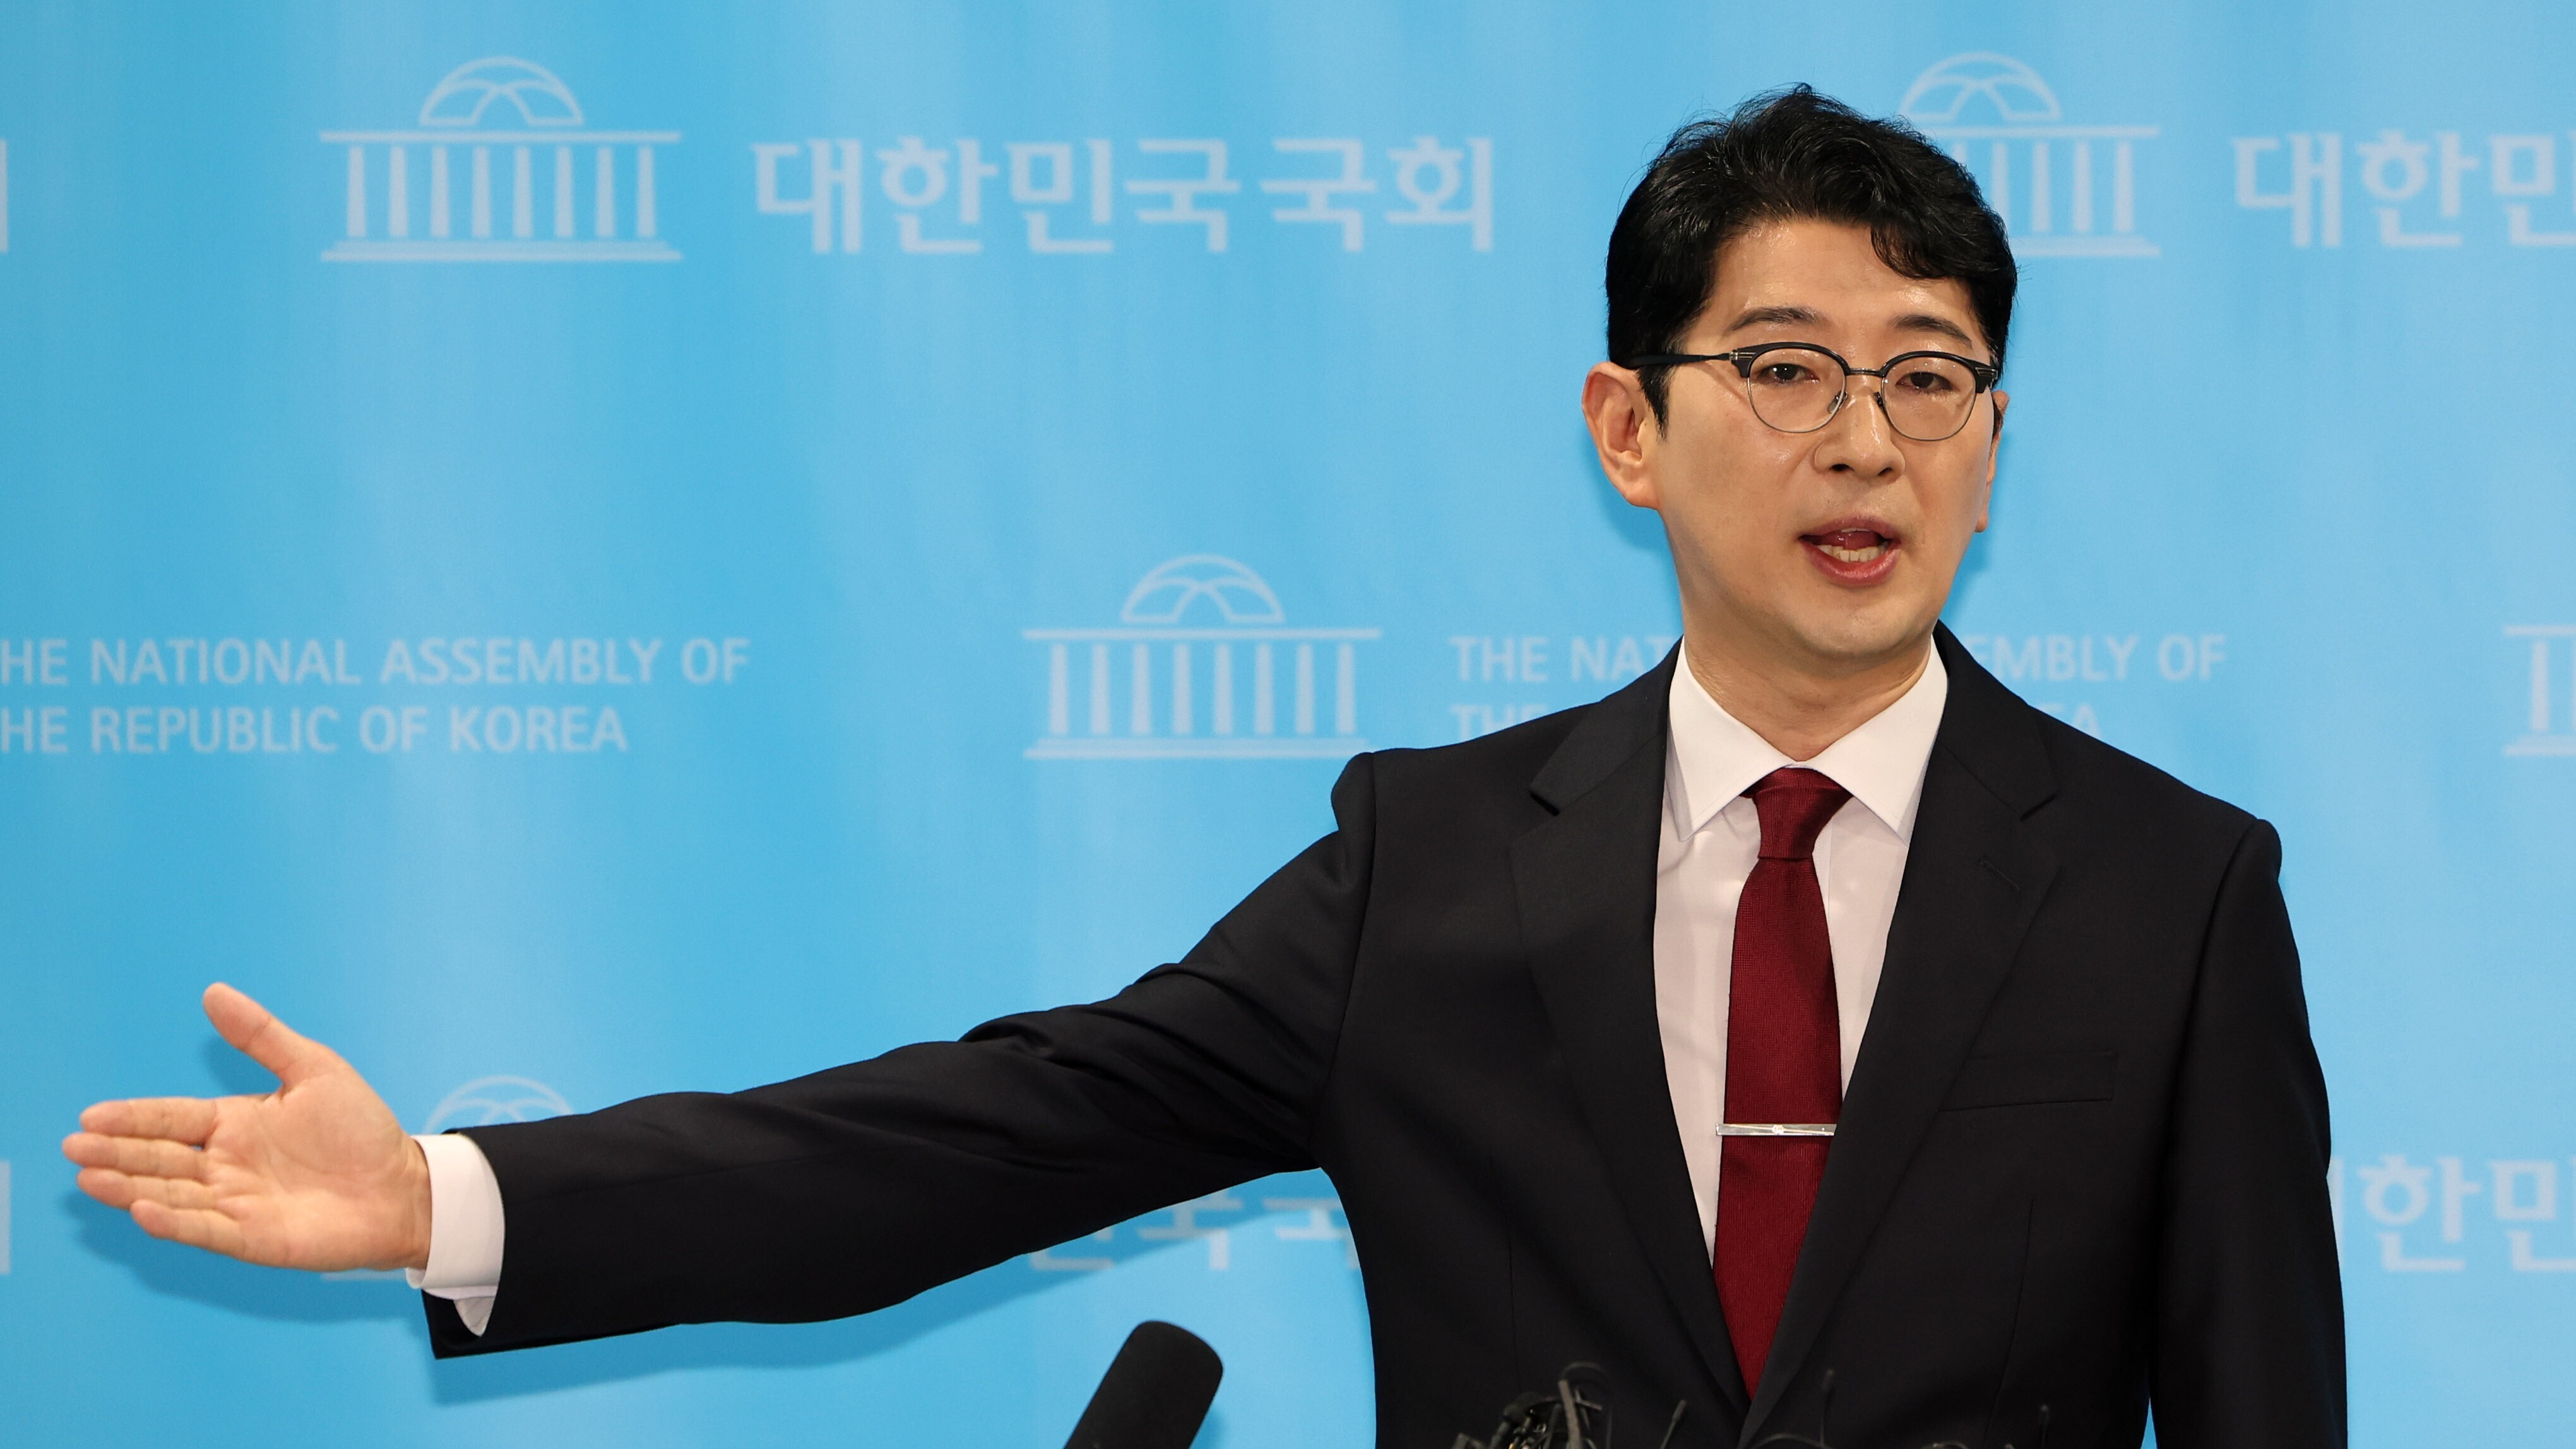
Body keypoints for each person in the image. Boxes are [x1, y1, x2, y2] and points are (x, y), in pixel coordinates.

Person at [63, 88, 2344, 1449]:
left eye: (1929, 377)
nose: (1864, 439)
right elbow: (974, 1143)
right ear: (1626, 429)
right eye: (1784, 366)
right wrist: (445, 1199)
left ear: (1991, 442)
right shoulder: (1434, 866)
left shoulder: (2170, 896)